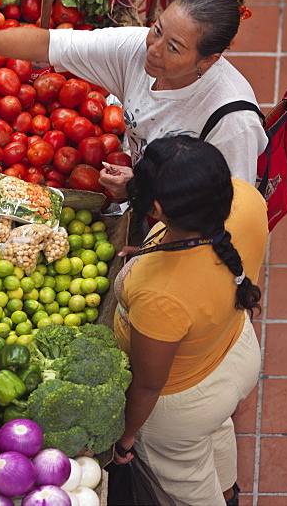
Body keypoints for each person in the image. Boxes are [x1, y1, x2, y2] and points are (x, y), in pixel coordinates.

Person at [0, 0, 267, 198]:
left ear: (209, 60)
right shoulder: (136, 49)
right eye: (157, 30)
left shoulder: (233, 123)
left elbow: (230, 211)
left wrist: (140, 191)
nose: (154, 48)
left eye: (175, 48)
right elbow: (49, 44)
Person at [110, 135, 268, 506]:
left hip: (181, 402)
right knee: (214, 435)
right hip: (234, 351)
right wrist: (150, 253)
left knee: (188, 487)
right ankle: (229, 495)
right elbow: (200, 266)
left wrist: (126, 437)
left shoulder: (159, 293)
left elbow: (149, 385)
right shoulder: (245, 197)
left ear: (160, 207)